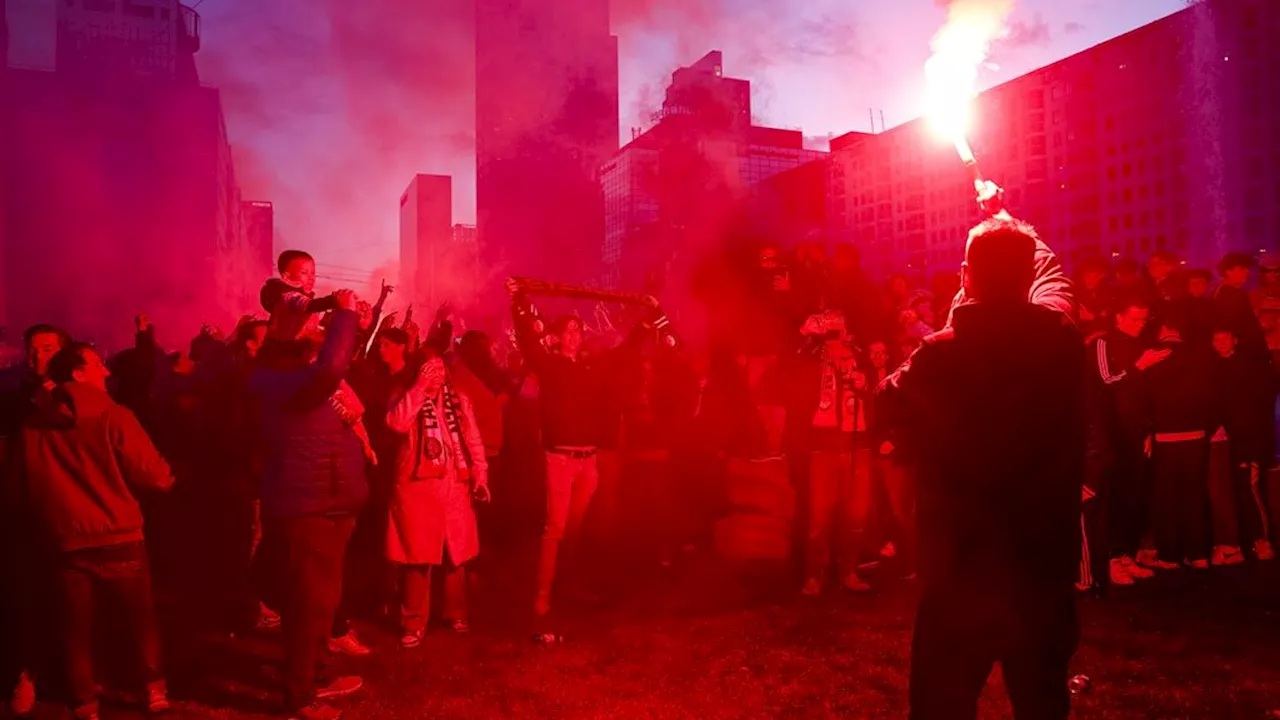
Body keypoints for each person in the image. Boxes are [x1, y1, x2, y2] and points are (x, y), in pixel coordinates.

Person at [880, 205, 1086, 720]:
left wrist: (953, 321)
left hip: (959, 567)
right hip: (1040, 564)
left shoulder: (939, 355)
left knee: (942, 705)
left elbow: (884, 405)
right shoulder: (1063, 343)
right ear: (1028, 275)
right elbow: (1052, 295)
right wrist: (1025, 234)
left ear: (966, 278)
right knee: (1042, 702)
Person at [19, 342, 174, 720]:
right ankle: (152, 691)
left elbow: (26, 480)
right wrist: (170, 477)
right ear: (77, 373)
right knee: (139, 621)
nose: (106, 371)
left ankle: (84, 702)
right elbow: (154, 476)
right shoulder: (113, 415)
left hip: (65, 539)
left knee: (75, 629)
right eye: (98, 364)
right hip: (118, 536)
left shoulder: (33, 424)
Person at [249, 290, 366, 720]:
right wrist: (345, 314)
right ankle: (298, 696)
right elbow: (331, 366)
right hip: (308, 508)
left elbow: (332, 367)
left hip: (329, 505)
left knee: (321, 603)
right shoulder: (280, 381)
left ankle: (317, 674)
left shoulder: (290, 377)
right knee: (307, 606)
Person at [384, 354, 489, 647]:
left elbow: (473, 438)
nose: (437, 374)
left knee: (457, 555)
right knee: (418, 557)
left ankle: (455, 613)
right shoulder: (404, 395)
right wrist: (419, 388)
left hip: (455, 486)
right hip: (418, 487)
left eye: (441, 369)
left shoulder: (458, 398)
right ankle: (413, 622)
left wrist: (481, 474)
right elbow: (396, 423)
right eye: (430, 369)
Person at [260, 250, 338, 343]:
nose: (311, 278)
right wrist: (333, 300)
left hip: (296, 350)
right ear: (286, 276)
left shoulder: (305, 298)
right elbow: (308, 305)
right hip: (281, 351)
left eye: (313, 273)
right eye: (304, 273)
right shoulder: (288, 297)